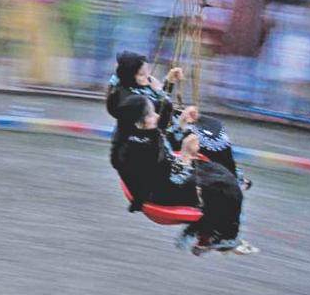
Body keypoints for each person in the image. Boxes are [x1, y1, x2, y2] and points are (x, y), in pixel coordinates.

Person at [112, 96, 256, 256]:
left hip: (158, 180)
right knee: (227, 187)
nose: (157, 116)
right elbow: (175, 180)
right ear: (140, 122)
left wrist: (182, 122)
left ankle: (203, 229)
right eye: (151, 114)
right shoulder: (143, 148)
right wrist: (186, 154)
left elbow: (163, 145)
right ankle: (220, 238)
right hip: (162, 194)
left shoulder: (134, 135)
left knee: (217, 169)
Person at [106, 51, 249, 190]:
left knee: (214, 126)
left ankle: (232, 172)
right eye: (142, 74)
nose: (148, 76)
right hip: (161, 134)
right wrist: (164, 95)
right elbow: (158, 114)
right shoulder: (130, 99)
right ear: (130, 76)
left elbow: (159, 105)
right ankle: (230, 176)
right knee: (210, 140)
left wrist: (168, 82)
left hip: (169, 122)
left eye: (147, 71)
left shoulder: (141, 84)